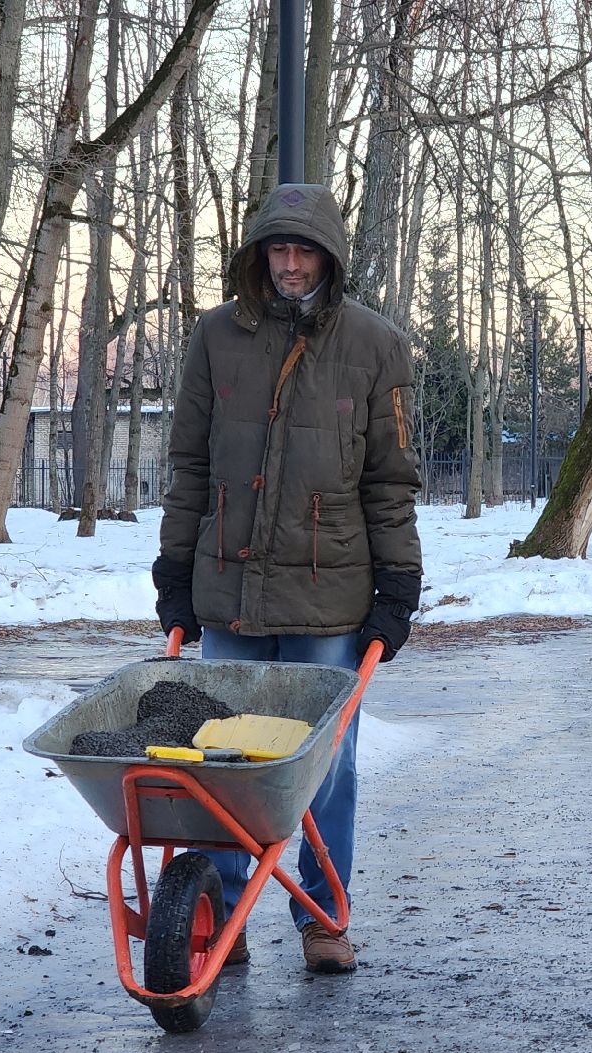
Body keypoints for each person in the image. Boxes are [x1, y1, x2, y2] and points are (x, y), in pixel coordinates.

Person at [152, 183, 422, 975]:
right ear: (259, 254)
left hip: (330, 599)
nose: (291, 265)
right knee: (220, 760)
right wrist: (175, 570)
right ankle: (221, 909)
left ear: (329, 258)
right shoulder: (215, 338)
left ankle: (323, 915)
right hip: (229, 591)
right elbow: (189, 466)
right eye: (279, 249)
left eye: (305, 251)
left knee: (325, 766)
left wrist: (398, 585)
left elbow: (390, 481)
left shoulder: (375, 345)